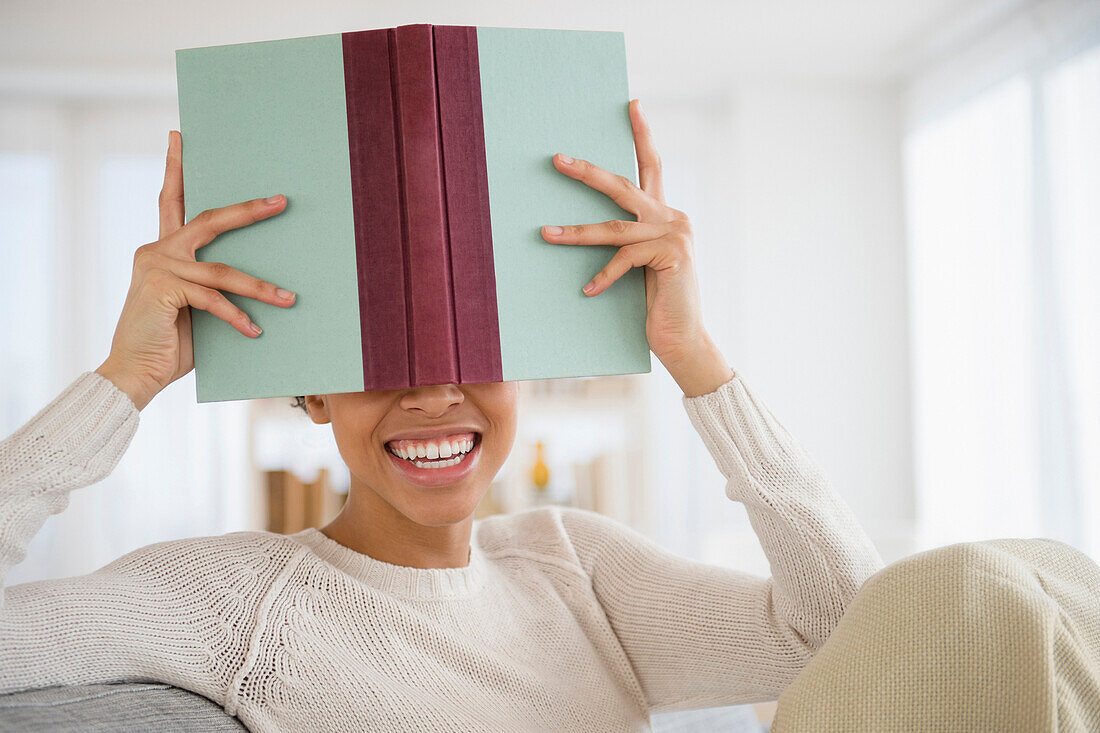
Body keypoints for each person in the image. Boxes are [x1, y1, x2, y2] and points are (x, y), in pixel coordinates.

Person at [0, 99, 884, 731]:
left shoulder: (578, 565)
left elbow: (852, 633)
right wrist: (125, 377)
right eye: (378, 357)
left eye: (474, 347)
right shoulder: (231, 604)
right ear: (310, 391)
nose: (431, 394)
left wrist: (696, 357)